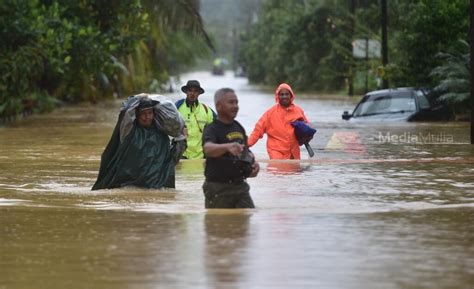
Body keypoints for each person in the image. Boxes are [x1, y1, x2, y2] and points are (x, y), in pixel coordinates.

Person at [92, 94, 185, 190]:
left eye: (150, 113)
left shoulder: (162, 135)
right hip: (128, 185)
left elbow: (170, 162)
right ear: (137, 114)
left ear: (154, 114)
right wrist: (138, 97)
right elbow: (126, 111)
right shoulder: (129, 132)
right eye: (143, 113)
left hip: (155, 187)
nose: (147, 117)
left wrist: (182, 140)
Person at [202, 88, 260, 208]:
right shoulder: (212, 128)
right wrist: (227, 147)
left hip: (240, 187)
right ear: (218, 106)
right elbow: (207, 149)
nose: (235, 106)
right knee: (219, 225)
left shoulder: (239, 128)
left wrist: (253, 167)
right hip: (218, 188)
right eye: (231, 102)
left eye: (236, 102)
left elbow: (246, 153)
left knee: (246, 221)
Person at [248, 83, 310, 159]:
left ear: (291, 95)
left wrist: (305, 135)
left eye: (287, 94)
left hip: (294, 152)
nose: (284, 96)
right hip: (276, 151)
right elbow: (257, 131)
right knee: (277, 169)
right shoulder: (270, 113)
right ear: (278, 96)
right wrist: (246, 144)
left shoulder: (298, 111)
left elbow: (307, 127)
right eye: (282, 94)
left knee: (295, 170)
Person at [175, 80, 216, 159]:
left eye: (195, 91)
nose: (192, 94)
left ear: (199, 93)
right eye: (190, 90)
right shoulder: (177, 108)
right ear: (186, 92)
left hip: (201, 156)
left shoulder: (207, 110)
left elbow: (218, 128)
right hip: (182, 155)